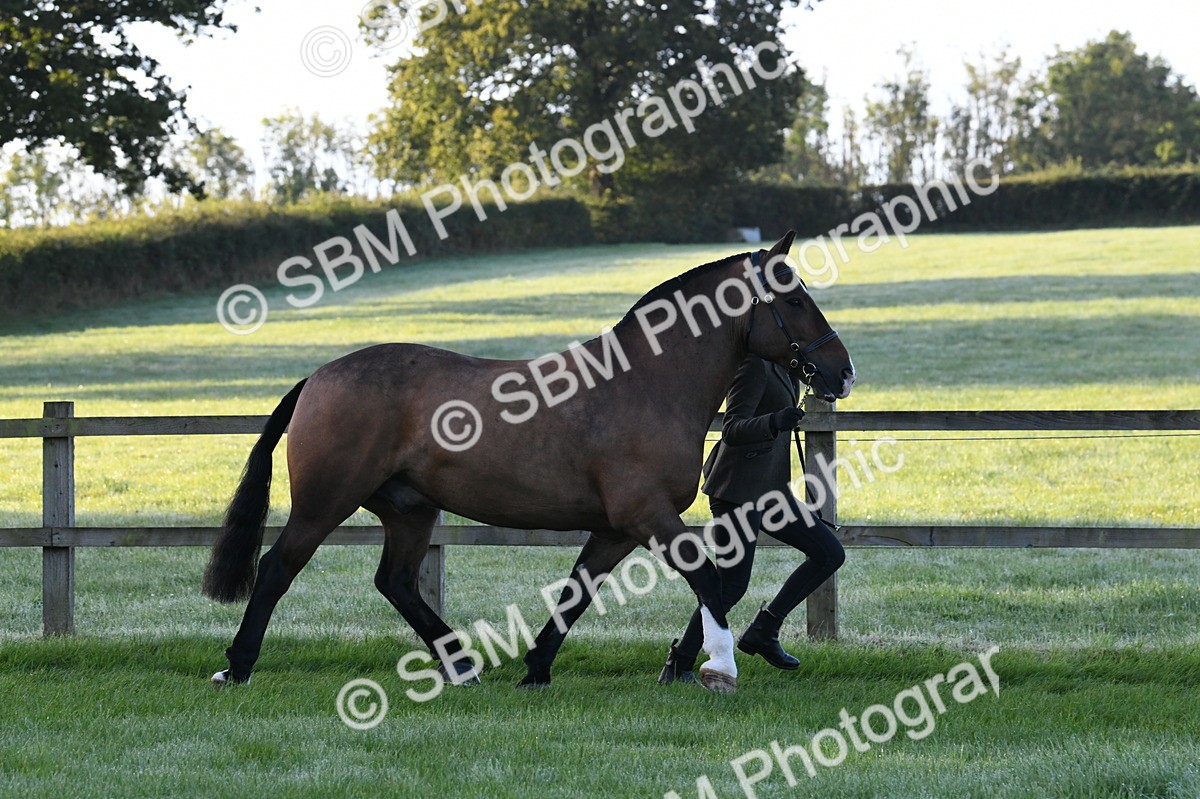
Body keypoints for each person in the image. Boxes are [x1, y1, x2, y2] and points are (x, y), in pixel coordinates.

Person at [659, 354, 846, 685]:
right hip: (737, 491)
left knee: (829, 553)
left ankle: (765, 629)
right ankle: (678, 664)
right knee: (729, 586)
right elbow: (732, 429)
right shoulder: (753, 365)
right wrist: (774, 421)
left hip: (772, 493)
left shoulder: (787, 367)